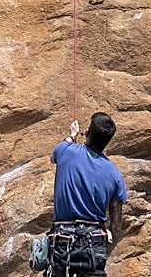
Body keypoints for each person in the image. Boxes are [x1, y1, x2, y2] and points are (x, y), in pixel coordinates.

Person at [48, 113, 127, 277]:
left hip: (63, 238)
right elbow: (116, 227)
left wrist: (72, 135)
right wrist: (102, 251)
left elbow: (53, 157)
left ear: (88, 134)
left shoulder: (66, 151)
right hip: (95, 241)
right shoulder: (115, 174)